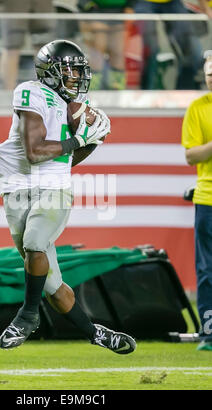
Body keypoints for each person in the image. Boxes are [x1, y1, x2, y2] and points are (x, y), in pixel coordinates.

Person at [0, 39, 136, 354]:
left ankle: (27, 315)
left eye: (77, 69)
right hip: (18, 188)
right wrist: (77, 139)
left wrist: (90, 141)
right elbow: (34, 152)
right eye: (68, 69)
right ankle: (96, 334)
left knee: (34, 242)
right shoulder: (31, 92)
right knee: (52, 287)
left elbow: (65, 161)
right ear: (49, 72)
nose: (74, 76)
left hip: (55, 188)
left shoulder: (71, 106)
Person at [181, 50, 212, 351]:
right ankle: (209, 331)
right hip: (208, 196)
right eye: (208, 71)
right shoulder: (197, 108)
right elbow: (191, 155)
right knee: (207, 269)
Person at [133, 0, 210, 90]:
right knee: (149, 49)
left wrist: (205, 7)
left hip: (173, 2)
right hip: (143, 3)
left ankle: (184, 90)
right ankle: (147, 91)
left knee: (192, 50)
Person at [0, 0, 55, 90]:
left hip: (43, 3)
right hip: (13, 4)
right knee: (12, 47)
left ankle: (46, 93)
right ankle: (8, 94)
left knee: (44, 49)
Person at [77, 0, 134, 90]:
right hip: (97, 13)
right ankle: (92, 89)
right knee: (97, 52)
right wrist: (89, 7)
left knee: (118, 53)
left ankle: (117, 89)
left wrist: (131, 6)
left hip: (121, 13)